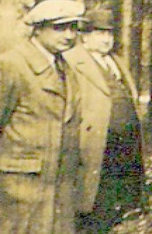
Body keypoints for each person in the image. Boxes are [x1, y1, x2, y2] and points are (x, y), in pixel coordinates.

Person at [0, 0, 86, 233]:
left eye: (73, 27)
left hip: (58, 192)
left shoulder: (66, 69)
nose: (69, 35)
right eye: (59, 27)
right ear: (37, 28)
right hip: (20, 190)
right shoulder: (12, 65)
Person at [63, 8, 145, 233]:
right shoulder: (71, 61)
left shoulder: (116, 62)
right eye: (100, 33)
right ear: (85, 35)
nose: (107, 39)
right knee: (90, 209)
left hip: (123, 149)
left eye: (110, 34)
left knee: (118, 210)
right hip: (94, 149)